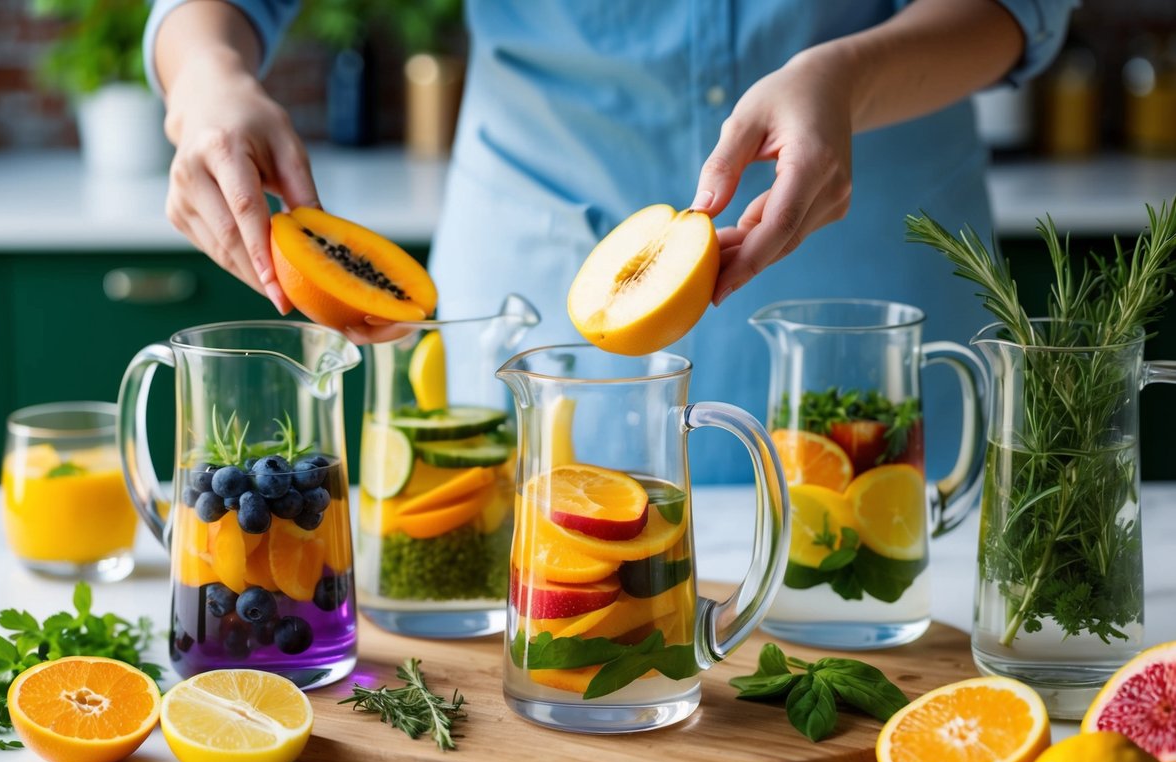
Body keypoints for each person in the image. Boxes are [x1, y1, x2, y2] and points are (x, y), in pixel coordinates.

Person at [146, 0, 1077, 483]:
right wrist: (205, 83)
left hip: (863, 257)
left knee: (883, 589)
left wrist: (851, 78)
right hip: (532, 274)